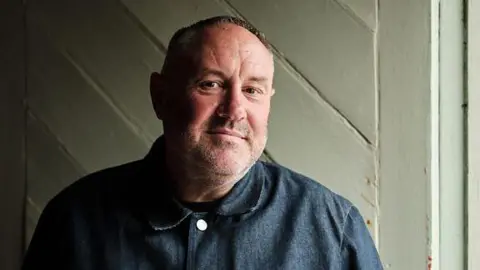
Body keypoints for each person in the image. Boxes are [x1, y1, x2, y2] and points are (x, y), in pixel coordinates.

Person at [22, 16, 383, 269]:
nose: (234, 110)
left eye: (252, 90)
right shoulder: (74, 222)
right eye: (210, 84)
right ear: (160, 97)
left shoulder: (333, 230)